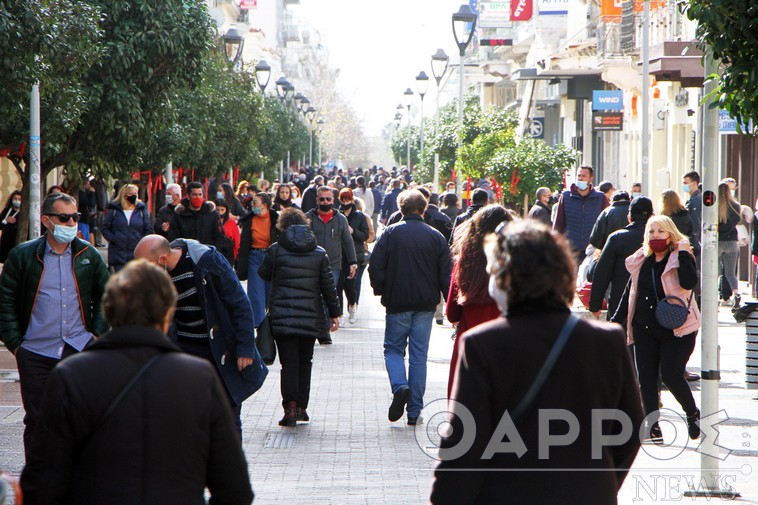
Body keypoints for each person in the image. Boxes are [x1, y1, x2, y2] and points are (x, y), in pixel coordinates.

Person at [431, 220, 643, 504]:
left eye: (493, 271)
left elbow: (463, 446)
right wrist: (598, 481)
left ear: (507, 277)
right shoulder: (606, 340)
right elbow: (629, 429)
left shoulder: (483, 345)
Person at [19, 260, 254, 505]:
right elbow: (235, 489)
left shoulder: (71, 376)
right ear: (166, 316)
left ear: (109, 312)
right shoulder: (199, 378)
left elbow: (43, 482)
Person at [0, 192, 109, 457]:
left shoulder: (89, 255)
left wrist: (95, 335)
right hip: (36, 352)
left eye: (75, 218)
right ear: (47, 221)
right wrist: (16, 345)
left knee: (81, 417)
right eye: (64, 218)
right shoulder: (23, 256)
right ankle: (40, 483)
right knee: (37, 420)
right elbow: (5, 301)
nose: (71, 224)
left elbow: (107, 296)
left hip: (79, 349)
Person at [134, 235, 266, 434]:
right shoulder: (158, 279)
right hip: (185, 352)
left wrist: (245, 348)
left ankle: (230, 463)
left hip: (220, 349)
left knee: (227, 414)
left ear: (162, 259)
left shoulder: (206, 262)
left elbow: (240, 304)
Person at [612, 215, 700, 444]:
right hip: (645, 327)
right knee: (647, 379)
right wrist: (615, 322)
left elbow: (690, 283)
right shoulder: (642, 259)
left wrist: (681, 252)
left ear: (671, 234)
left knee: (671, 375)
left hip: (677, 329)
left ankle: (692, 414)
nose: (655, 236)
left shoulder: (681, 257)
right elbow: (630, 292)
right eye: (651, 232)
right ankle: (653, 426)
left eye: (660, 231)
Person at [369, 189, 451, 425]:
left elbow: (376, 265)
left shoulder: (391, 233)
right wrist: (449, 303)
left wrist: (382, 289)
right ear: (424, 209)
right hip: (425, 304)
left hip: (398, 302)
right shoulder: (436, 236)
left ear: (401, 209)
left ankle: (400, 386)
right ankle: (414, 411)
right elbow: (446, 275)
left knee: (393, 349)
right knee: (418, 356)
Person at [258, 208, 340, 427]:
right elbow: (328, 287)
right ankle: (302, 408)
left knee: (289, 364)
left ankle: (290, 408)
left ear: (283, 226)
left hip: (282, 315)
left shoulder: (276, 250)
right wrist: (334, 314)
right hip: (310, 316)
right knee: (305, 361)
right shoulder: (319, 252)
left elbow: (263, 274)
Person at [445, 205, 511, 397]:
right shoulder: (517, 260)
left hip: (470, 341)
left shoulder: (465, 259)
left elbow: (451, 313)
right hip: (507, 341)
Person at [305, 186, 358, 340]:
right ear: (317, 200)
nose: (325, 202)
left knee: (328, 295)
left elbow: (348, 242)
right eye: (322, 199)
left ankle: (325, 330)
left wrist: (353, 262)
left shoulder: (340, 218)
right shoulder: (308, 218)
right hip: (312, 265)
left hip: (333, 265)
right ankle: (318, 328)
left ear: (333, 200)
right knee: (316, 296)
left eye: (328, 199)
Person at [590, 196, 654, 319]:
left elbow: (602, 273)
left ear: (629, 217)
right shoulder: (658, 239)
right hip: (650, 303)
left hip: (620, 304)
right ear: (651, 216)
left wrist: (595, 304)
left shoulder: (616, 238)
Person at [236, 192, 280, 327]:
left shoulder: (277, 220)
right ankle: (259, 327)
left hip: (271, 257)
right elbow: (243, 245)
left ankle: (272, 322)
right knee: (255, 294)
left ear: (265, 205)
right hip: (254, 257)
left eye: (255, 203)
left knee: (271, 291)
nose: (252, 205)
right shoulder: (249, 219)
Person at [553, 165, 610, 264]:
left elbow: (608, 223)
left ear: (590, 179)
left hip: (593, 250)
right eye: (579, 175)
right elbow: (558, 224)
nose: (580, 178)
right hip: (571, 249)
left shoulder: (600, 198)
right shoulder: (566, 197)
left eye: (584, 176)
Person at [167, 181, 231, 255]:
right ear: (188, 196)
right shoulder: (179, 215)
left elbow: (219, 236)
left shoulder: (212, 214)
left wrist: (213, 253)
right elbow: (173, 237)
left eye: (200, 195)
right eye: (195, 195)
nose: (198, 198)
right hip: (186, 258)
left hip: (207, 257)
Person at [102, 184, 153, 272]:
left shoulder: (141, 209)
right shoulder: (114, 210)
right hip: (118, 253)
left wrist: (142, 242)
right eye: (130, 193)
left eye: (135, 193)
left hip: (136, 253)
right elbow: (105, 228)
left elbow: (148, 228)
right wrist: (114, 239)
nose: (133, 196)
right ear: (124, 195)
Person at [337, 188, 370, 324]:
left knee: (350, 286)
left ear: (352, 199)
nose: (345, 202)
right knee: (338, 285)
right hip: (338, 256)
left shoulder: (360, 216)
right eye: (343, 199)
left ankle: (352, 306)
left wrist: (353, 231)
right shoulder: (337, 215)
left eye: (348, 199)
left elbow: (366, 236)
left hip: (354, 256)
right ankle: (339, 315)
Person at [717, 182, 743, 310]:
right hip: (732, 243)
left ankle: (714, 298)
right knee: (730, 274)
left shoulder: (714, 206)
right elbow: (738, 221)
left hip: (717, 243)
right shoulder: (736, 206)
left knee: (714, 272)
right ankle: (736, 294)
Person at [215, 198, 240, 266]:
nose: (220, 212)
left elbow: (237, 242)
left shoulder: (232, 222)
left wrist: (234, 256)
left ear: (226, 210)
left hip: (228, 256)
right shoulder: (211, 221)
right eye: (217, 210)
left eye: (222, 210)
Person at [0, 190, 22, 263]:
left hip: (16, 242)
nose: (17, 201)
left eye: (19, 199)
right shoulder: (6, 211)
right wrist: (5, 220)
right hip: (5, 242)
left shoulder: (23, 213)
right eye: (15, 199)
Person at [77, 179, 97, 244]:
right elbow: (90, 203)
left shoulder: (84, 193)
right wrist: (92, 193)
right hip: (82, 219)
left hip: (86, 219)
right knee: (83, 240)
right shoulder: (80, 193)